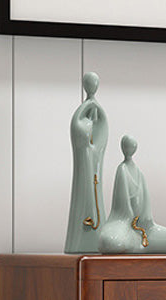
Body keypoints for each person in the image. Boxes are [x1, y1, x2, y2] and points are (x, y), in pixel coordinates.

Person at [98, 135, 166, 254]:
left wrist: (145, 221)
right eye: (127, 146)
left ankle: (137, 240)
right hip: (123, 222)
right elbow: (121, 203)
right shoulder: (122, 170)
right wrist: (128, 216)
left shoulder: (139, 173)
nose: (129, 149)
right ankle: (132, 240)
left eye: (132, 146)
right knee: (111, 242)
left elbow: (145, 204)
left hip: (144, 227)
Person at [65, 73, 108, 254]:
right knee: (85, 189)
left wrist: (95, 146)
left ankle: (96, 233)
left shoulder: (97, 109)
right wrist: (87, 142)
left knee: (95, 190)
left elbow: (102, 131)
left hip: (94, 154)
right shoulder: (81, 112)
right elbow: (78, 132)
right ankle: (81, 238)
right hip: (84, 154)